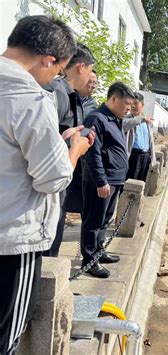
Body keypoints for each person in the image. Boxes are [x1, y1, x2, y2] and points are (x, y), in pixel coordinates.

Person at [0, 15, 92, 354]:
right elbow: (52, 177)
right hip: (11, 242)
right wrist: (74, 150)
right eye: (57, 72)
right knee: (5, 337)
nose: (55, 80)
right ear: (48, 59)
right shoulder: (30, 98)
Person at [43, 43, 96, 257]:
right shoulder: (57, 93)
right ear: (81, 67)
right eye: (91, 70)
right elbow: (46, 141)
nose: (92, 78)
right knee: (48, 244)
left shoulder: (69, 95)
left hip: (61, 176)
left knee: (55, 233)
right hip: (50, 180)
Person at [81, 82, 136, 278]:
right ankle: (89, 260)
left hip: (116, 179)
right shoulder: (97, 118)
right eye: (127, 104)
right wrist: (101, 181)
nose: (129, 109)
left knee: (104, 219)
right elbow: (92, 153)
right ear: (114, 99)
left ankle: (98, 251)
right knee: (93, 220)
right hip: (103, 181)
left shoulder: (114, 119)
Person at [124, 92, 156, 181]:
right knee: (130, 183)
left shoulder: (147, 121)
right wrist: (141, 119)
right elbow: (124, 125)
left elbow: (151, 141)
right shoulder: (127, 119)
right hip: (133, 156)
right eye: (131, 103)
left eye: (136, 103)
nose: (133, 106)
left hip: (145, 156)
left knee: (141, 182)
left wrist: (152, 158)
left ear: (142, 105)